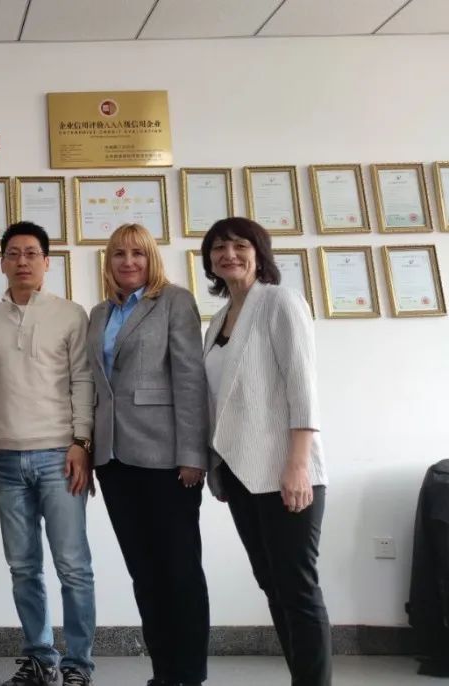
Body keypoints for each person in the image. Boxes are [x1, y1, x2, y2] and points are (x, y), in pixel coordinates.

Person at [200, 217, 331, 686]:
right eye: (218, 248)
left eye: (239, 245)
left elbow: (303, 388)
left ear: (259, 253)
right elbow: (218, 399)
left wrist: (298, 465)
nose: (228, 254)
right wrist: (217, 465)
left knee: (297, 587)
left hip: (286, 470)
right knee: (272, 585)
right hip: (240, 473)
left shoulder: (280, 302)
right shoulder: (217, 321)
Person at [87, 223, 210, 686]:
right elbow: (97, 386)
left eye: (137, 253)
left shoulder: (174, 301)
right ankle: (164, 674)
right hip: (114, 460)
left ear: (151, 258)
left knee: (179, 570)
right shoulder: (99, 313)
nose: (128, 262)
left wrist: (193, 453)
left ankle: (188, 675)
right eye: (119, 253)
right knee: (144, 572)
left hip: (166, 458)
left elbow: (190, 378)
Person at [0, 222, 96, 686]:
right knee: (23, 567)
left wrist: (81, 442)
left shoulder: (70, 314)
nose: (22, 261)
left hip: (59, 456)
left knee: (73, 566)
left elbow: (83, 379)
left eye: (31, 253)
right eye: (13, 253)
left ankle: (78, 664)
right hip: (6, 458)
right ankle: (40, 658)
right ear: (2, 263)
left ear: (47, 262)